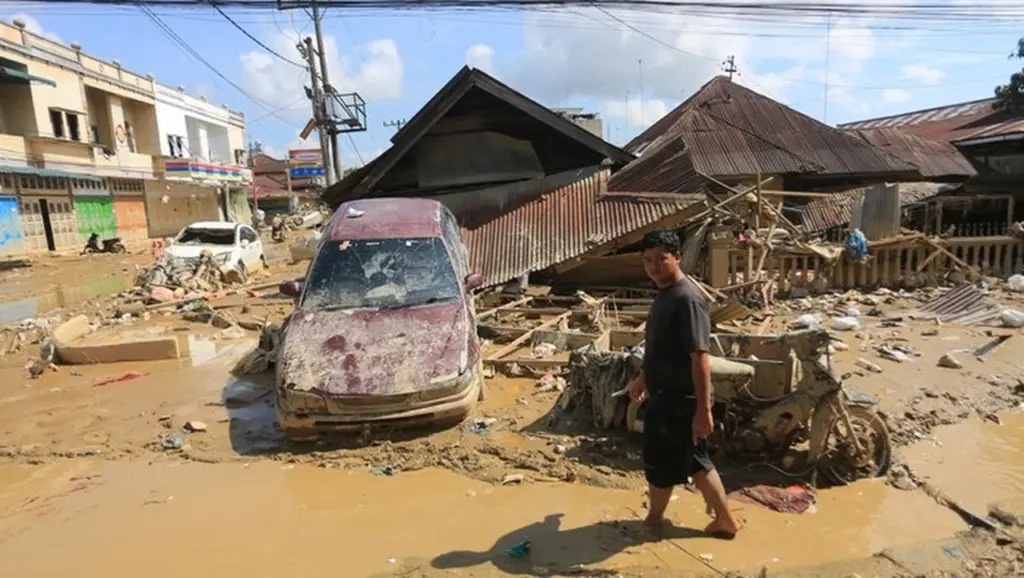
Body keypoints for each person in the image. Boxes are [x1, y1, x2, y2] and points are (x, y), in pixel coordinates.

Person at [627, 228, 741, 540]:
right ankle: (724, 520)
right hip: (667, 395)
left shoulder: (687, 299)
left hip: (680, 399)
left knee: (664, 463)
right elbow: (661, 346)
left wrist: (703, 410)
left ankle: (654, 520)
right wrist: (643, 377)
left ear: (678, 257)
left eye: (661, 259)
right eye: (648, 260)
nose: (654, 266)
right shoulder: (665, 293)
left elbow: (699, 357)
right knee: (694, 461)